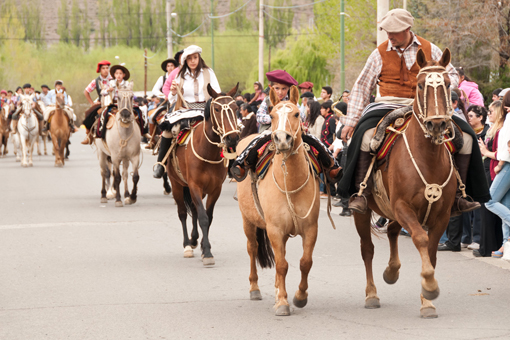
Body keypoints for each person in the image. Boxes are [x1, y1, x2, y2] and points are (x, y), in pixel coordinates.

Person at [338, 8, 488, 215]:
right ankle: (361, 193)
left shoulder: (430, 49)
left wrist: (438, 81)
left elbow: (452, 75)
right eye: (387, 31)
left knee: (468, 138)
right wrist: (352, 120)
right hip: (388, 103)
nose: (389, 36)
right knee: (364, 136)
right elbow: (363, 86)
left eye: (394, 31)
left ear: (408, 28)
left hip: (427, 105)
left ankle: (459, 196)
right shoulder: (379, 53)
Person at [153, 45, 221, 179]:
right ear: (185, 61)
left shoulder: (209, 72)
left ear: (199, 58)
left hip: (205, 110)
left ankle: (232, 162)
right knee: (167, 130)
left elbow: (217, 92)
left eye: (195, 57)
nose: (193, 61)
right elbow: (173, 98)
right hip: (186, 110)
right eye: (189, 59)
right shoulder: (180, 75)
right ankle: (161, 164)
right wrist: (173, 92)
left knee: (227, 128)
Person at [482, 92, 510, 258]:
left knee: (490, 200)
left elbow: (507, 146)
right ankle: (505, 244)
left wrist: (499, 164)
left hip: (506, 164)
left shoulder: (508, 119)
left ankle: (505, 243)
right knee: (505, 205)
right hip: (505, 162)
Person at [82, 60, 112, 144]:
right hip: (102, 103)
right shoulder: (95, 81)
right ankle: (89, 136)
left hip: (114, 102)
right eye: (103, 68)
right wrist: (92, 103)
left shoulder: (114, 78)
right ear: (99, 70)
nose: (106, 70)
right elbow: (86, 92)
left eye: (107, 68)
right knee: (88, 114)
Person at [320, 101, 336, 198]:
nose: (320, 110)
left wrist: (328, 145)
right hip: (325, 146)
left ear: (328, 109)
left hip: (329, 147)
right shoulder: (326, 118)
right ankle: (327, 190)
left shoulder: (331, 119)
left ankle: (331, 191)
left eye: (322, 108)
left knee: (329, 169)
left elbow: (333, 134)